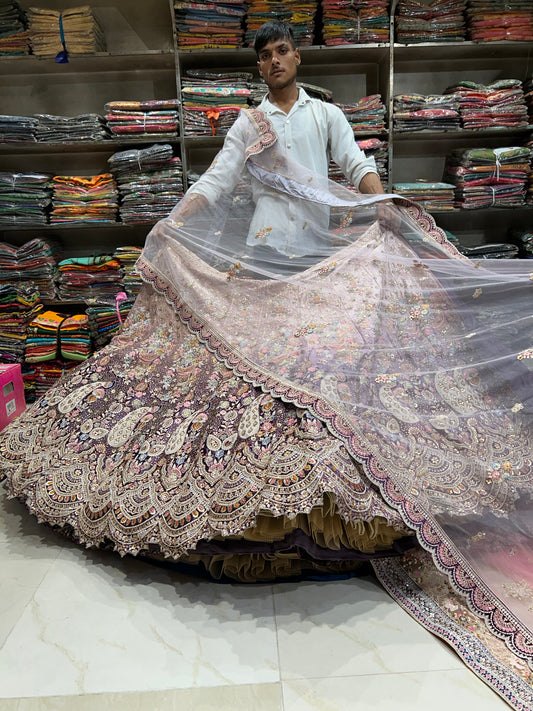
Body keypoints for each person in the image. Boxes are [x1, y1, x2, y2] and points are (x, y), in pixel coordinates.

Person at [0, 20, 532, 706]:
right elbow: (219, 183)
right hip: (261, 259)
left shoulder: (326, 114)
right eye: (264, 54)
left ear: (296, 57)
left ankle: (333, 499)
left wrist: (383, 203)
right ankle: (255, 507)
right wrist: (173, 221)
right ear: (258, 66)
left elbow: (354, 167)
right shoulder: (248, 125)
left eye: (281, 50)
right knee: (244, 382)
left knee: (319, 373)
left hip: (318, 257)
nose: (274, 60)